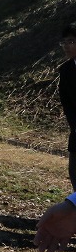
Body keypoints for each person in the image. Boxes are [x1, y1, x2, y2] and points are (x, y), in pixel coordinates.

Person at [59, 22, 76, 190]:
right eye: (64, 42)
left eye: (70, 41)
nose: (66, 46)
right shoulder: (65, 70)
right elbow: (66, 101)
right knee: (74, 170)